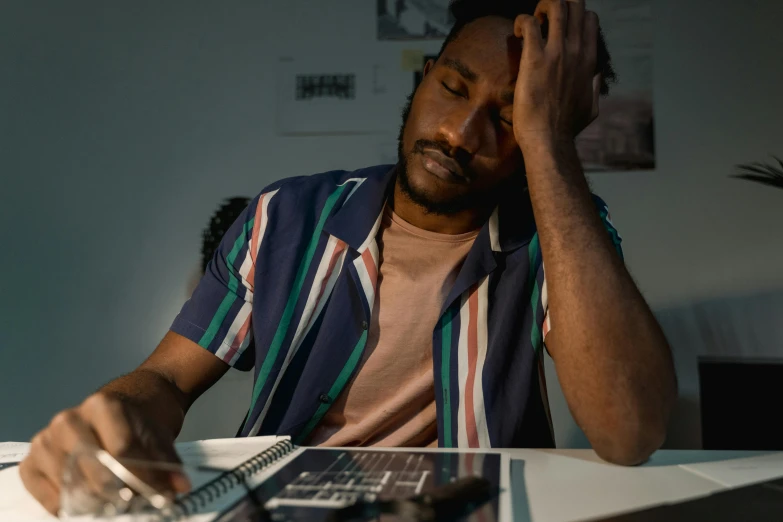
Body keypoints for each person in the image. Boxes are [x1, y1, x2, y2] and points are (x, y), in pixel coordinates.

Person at [21, 0, 677, 513]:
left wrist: (551, 149)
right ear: (421, 82)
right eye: (451, 88)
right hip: (281, 507)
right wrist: (114, 420)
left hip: (469, 507)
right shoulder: (284, 216)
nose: (458, 133)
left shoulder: (558, 238)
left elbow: (630, 432)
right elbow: (166, 380)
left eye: (509, 118)